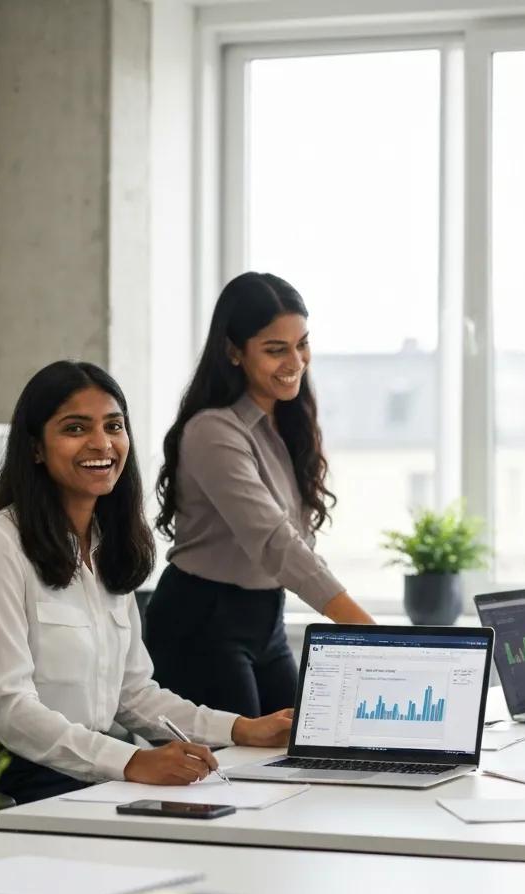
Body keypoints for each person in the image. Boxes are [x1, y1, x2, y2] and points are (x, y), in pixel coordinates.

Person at [0, 361, 294, 805]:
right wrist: (132, 762)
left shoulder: (108, 546)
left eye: (114, 426)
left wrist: (240, 728)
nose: (101, 443)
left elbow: (133, 694)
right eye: (75, 429)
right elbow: (10, 709)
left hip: (94, 765)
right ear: (35, 447)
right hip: (14, 773)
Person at [146, 272, 373, 719]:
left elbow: (296, 541)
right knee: (229, 779)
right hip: (202, 622)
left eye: (301, 344)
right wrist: (369, 632)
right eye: (275, 349)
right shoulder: (213, 431)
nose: (295, 360)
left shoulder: (283, 425)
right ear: (233, 351)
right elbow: (274, 541)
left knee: (306, 749)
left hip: (265, 618)